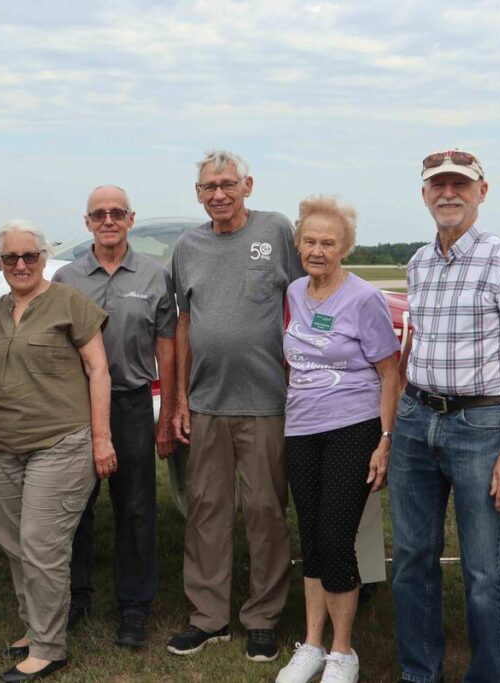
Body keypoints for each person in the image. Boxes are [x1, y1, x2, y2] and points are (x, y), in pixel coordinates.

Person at [391, 150, 500, 682]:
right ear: (424, 195)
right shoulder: (418, 263)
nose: (448, 193)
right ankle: (420, 674)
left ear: (482, 192)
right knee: (413, 559)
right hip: (417, 418)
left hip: (481, 428)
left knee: (485, 571)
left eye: (461, 184)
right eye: (438, 185)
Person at [0, 220, 115, 683]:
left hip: (61, 442)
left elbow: (98, 371)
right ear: (0, 263)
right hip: (2, 446)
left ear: (44, 258)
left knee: (42, 544)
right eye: (10, 258)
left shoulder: (70, 302)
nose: (21, 265)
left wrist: (101, 438)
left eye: (30, 256)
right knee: (12, 541)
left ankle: (49, 648)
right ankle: (34, 626)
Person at [167, 150, 305, 663]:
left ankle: (263, 617)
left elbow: (302, 300)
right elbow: (184, 321)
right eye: (209, 187)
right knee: (206, 509)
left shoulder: (276, 230)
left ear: (248, 185)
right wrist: (181, 397)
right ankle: (208, 618)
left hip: (269, 402)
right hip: (207, 403)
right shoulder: (189, 245)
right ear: (198, 193)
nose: (219, 194)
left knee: (267, 510)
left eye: (228, 184)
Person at [274, 197, 400, 683]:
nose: (318, 250)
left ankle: (343, 652)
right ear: (298, 245)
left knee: (336, 538)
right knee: (311, 539)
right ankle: (311, 645)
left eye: (328, 242)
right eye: (309, 241)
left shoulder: (364, 298)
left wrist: (384, 439)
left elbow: (390, 374)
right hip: (301, 427)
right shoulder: (294, 291)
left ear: (344, 246)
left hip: (353, 426)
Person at [53, 185, 177, 648]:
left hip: (131, 404)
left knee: (136, 508)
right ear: (87, 222)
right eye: (99, 214)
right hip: (74, 406)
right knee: (74, 507)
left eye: (117, 213)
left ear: (131, 219)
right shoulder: (66, 278)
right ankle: (76, 598)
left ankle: (134, 607)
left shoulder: (154, 275)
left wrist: (166, 417)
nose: (108, 220)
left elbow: (167, 345)